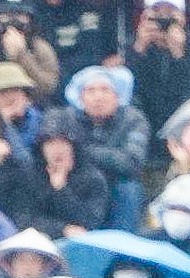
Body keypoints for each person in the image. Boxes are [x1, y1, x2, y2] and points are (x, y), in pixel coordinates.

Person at [49, 64, 149, 232]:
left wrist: (84, 151)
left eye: (105, 90)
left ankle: (123, 248)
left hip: (116, 183)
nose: (98, 97)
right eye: (91, 91)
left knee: (129, 189)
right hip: (78, 181)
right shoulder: (65, 118)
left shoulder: (134, 120)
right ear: (80, 98)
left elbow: (131, 162)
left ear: (117, 96)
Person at [128, 0, 190, 136]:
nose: (163, 20)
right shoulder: (135, 42)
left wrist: (178, 53)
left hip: (180, 117)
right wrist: (139, 48)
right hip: (146, 117)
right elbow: (129, 88)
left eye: (170, 14)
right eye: (157, 13)